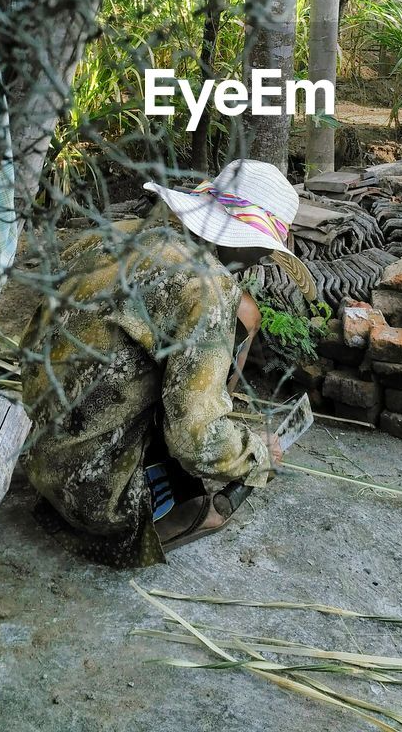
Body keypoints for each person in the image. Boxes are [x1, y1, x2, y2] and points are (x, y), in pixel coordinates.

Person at [20, 160, 316, 568]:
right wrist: (254, 455)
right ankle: (144, 514)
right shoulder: (205, 285)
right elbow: (196, 440)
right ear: (243, 239)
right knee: (210, 486)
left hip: (37, 448)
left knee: (239, 316)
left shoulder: (122, 233)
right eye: (264, 247)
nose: (264, 259)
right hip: (89, 494)